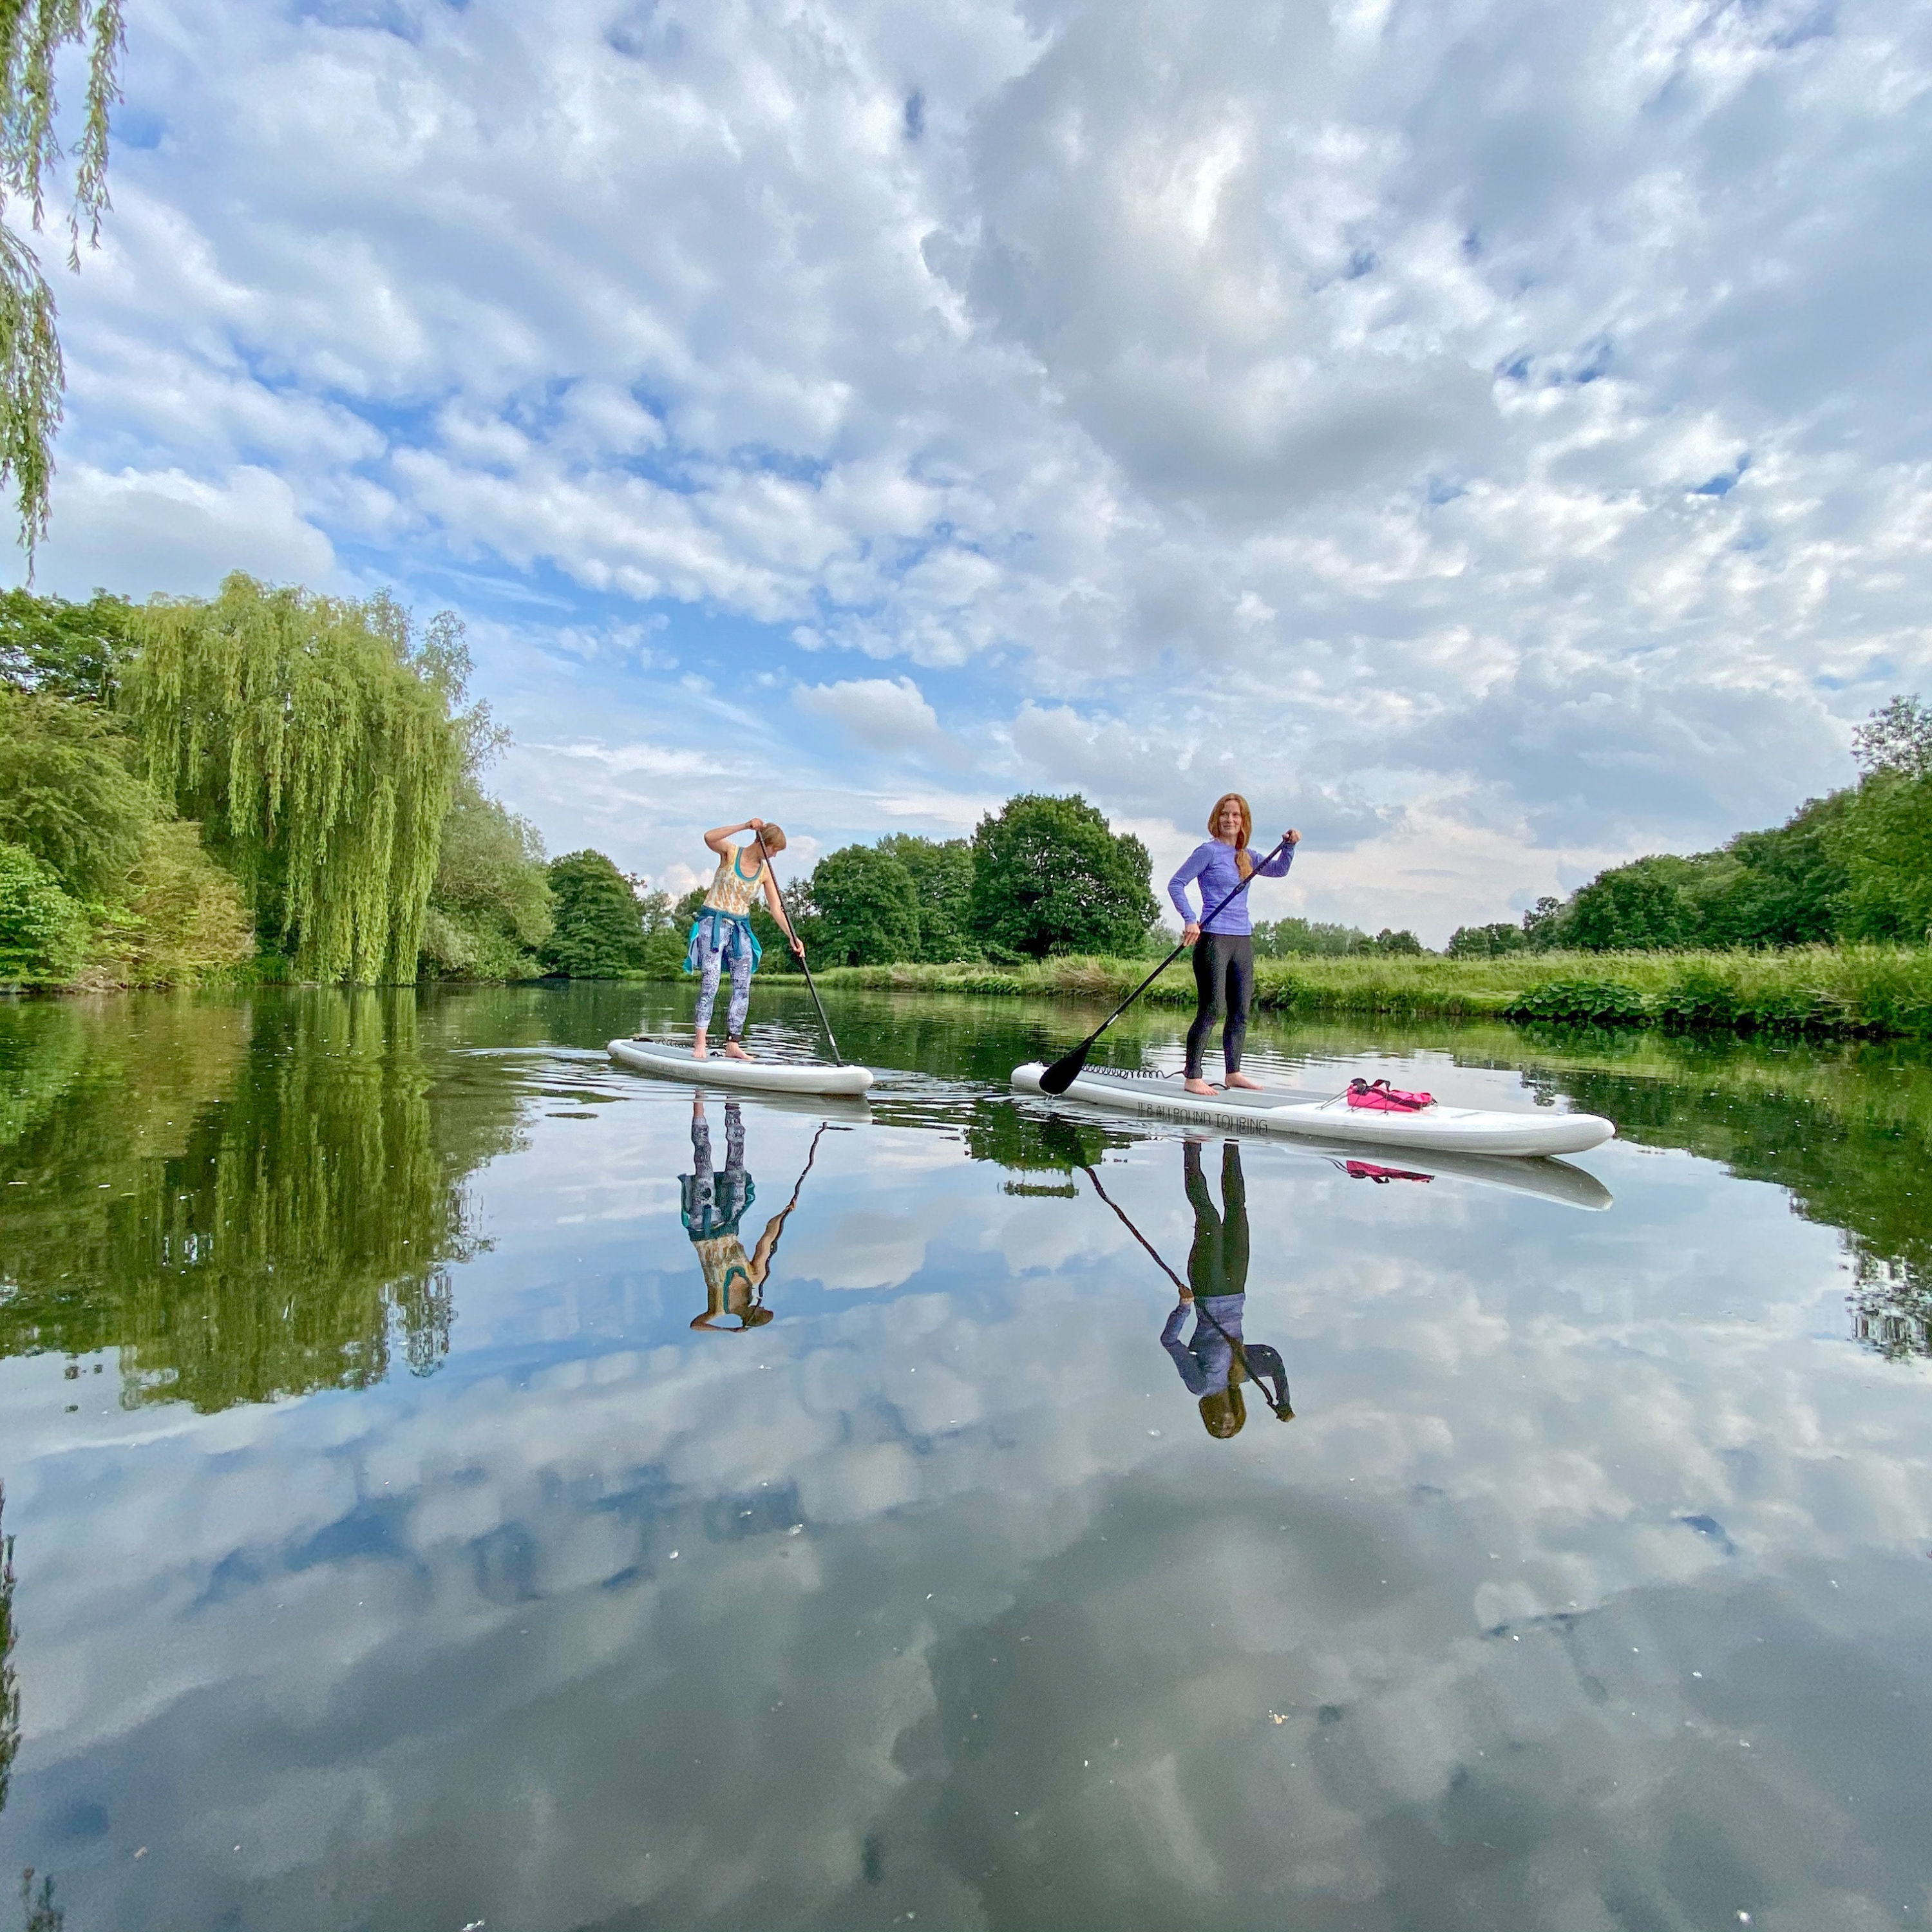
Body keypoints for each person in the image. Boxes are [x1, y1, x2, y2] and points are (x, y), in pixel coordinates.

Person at [1159, 1139, 1291, 1439]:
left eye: (1218, 1426)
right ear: (1240, 1416)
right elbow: (1275, 1361)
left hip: (1207, 1288)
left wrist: (1184, 1307)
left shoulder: (1200, 1386)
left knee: (1208, 1215)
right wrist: (1284, 1400)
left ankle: (1191, 1147)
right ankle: (1232, 1144)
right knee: (1238, 1211)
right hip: (1236, 1289)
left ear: (1209, 1416)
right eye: (1231, 1427)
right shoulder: (1241, 1376)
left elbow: (1170, 1341)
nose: (1226, 1422)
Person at [1167, 793, 1298, 1096]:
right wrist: (1189, 919)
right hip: (1213, 938)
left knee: (1241, 1010)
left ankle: (1233, 1073)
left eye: (1236, 815)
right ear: (1217, 818)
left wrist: (1290, 846)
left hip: (1242, 939)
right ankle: (1193, 1076)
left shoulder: (1248, 856)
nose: (1230, 820)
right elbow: (1176, 884)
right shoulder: (1207, 852)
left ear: (1244, 821)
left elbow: (1279, 870)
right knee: (1213, 1008)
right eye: (1225, 814)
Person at [684, 817, 805, 1060]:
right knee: (711, 982)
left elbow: (776, 908)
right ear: (764, 843)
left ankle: (733, 1045)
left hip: (740, 929)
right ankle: (700, 1044)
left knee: (742, 986)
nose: (775, 856)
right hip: (713, 924)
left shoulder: (765, 873)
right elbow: (709, 837)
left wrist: (793, 936)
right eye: (775, 850)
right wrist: (744, 826)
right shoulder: (730, 853)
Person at [680, 1097, 802, 1330]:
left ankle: (699, 1102)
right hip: (729, 1222)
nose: (759, 1305)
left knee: (703, 1161)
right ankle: (733, 1104)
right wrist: (784, 1213)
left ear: (751, 1315)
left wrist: (728, 1330)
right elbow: (768, 1238)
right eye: (762, 1308)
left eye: (759, 1311)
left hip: (703, 1227)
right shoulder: (755, 1277)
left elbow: (696, 1325)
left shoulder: (719, 1307)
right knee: (737, 1162)